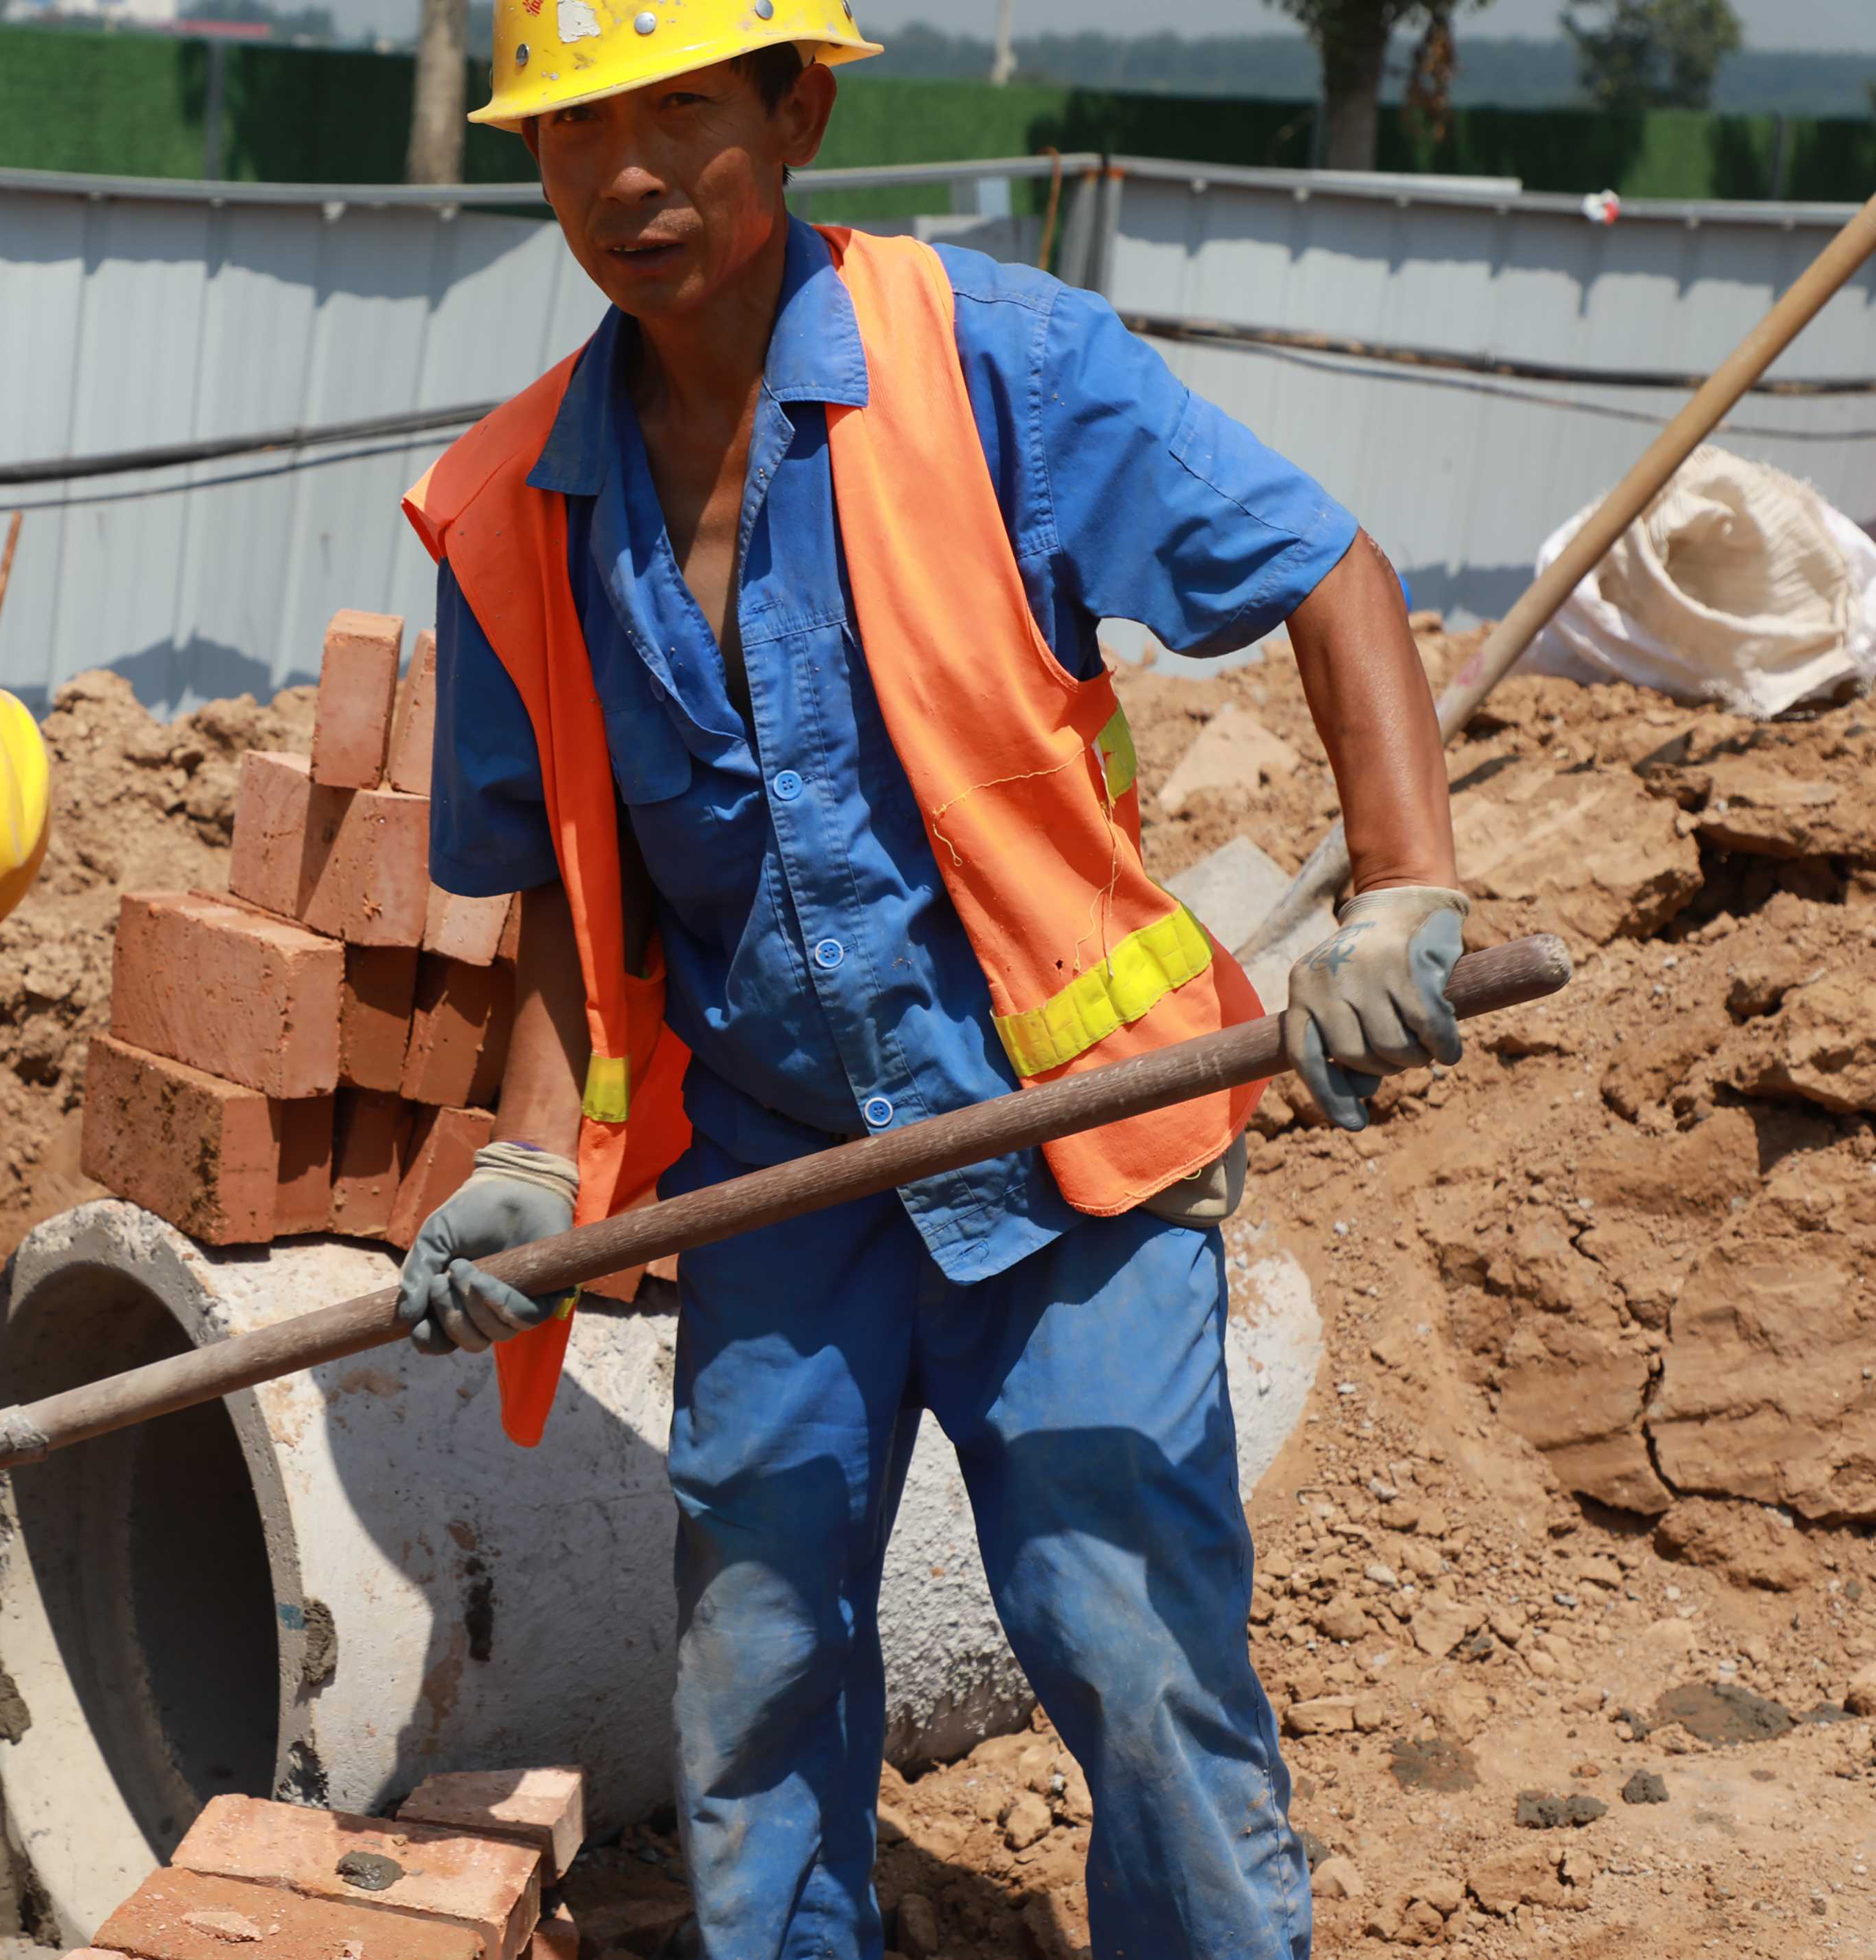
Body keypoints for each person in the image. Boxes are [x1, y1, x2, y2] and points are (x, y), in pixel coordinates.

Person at [391, 19, 1463, 1958]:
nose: (621, 176)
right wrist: (536, 1159)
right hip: (783, 1183)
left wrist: (1398, 897)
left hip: (1070, 1160)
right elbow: (562, 883)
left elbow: (1327, 566)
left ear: (796, 111)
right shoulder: (510, 514)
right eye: (570, 134)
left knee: (1119, 1637)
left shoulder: (992, 368)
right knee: (758, 1657)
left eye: (677, 112)